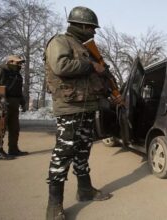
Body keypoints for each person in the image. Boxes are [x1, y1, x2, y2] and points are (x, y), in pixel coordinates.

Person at [44, 6, 123, 220]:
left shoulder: (86, 48)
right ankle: (54, 206)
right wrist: (91, 65)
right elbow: (61, 66)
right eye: (92, 28)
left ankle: (85, 190)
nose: (94, 32)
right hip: (70, 107)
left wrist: (111, 93)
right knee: (63, 155)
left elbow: (97, 80)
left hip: (88, 107)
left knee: (82, 152)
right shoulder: (61, 41)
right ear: (82, 25)